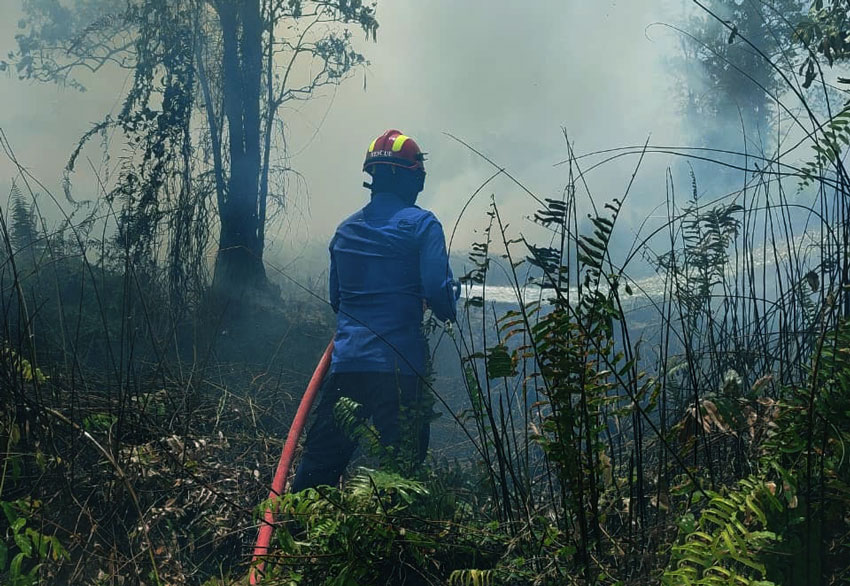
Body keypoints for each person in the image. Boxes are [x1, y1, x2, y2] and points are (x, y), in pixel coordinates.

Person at [290, 129, 459, 492]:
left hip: (347, 365)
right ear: (412, 178)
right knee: (402, 475)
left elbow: (338, 300)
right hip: (400, 371)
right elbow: (439, 294)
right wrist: (446, 299)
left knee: (318, 469)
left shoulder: (346, 231)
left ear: (374, 177)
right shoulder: (423, 225)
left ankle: (293, 535)